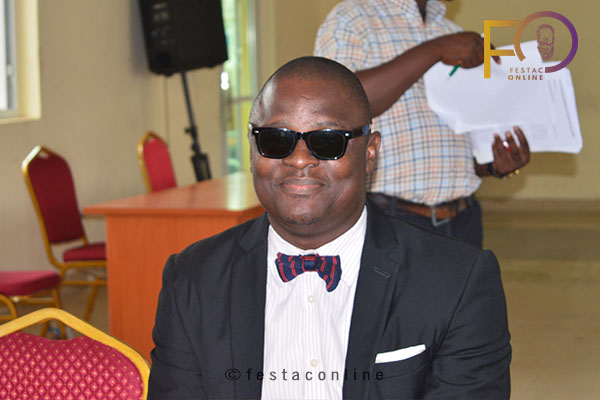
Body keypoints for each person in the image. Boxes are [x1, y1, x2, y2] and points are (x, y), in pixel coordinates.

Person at [148, 56, 511, 399]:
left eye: (327, 141)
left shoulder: (456, 280)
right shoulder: (192, 279)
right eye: (276, 139)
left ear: (370, 152)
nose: (299, 160)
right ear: (253, 148)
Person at [314, 0, 530, 248]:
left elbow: (452, 144)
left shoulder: (450, 31)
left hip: (463, 219)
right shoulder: (352, 18)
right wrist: (435, 50)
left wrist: (493, 164)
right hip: (391, 219)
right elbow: (338, 104)